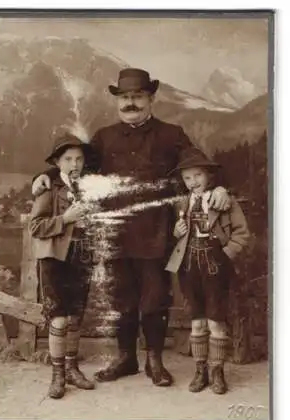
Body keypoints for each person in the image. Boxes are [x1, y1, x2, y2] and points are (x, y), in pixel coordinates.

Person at [31, 68, 231, 388]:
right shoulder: (104, 137)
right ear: (117, 101)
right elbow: (75, 166)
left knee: (154, 300)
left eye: (138, 96)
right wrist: (45, 176)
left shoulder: (171, 134)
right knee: (121, 300)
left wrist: (218, 188)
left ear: (151, 98)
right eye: (125, 97)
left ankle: (155, 360)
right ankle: (126, 359)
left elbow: (199, 167)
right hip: (113, 236)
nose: (131, 103)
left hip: (157, 233)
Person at [165, 152, 250, 394]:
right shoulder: (182, 204)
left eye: (198, 175)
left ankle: (217, 372)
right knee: (197, 320)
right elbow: (177, 237)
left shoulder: (223, 201)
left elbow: (242, 234)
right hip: (189, 265)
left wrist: (226, 255)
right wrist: (177, 231)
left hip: (215, 265)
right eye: (187, 177)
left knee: (216, 320)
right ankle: (200, 370)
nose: (193, 181)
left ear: (209, 175)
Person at [30, 133, 95, 399]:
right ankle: (57, 375)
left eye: (79, 159)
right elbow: (36, 226)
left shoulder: (90, 186)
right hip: (54, 259)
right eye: (68, 159)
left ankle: (72, 368)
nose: (74, 164)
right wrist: (65, 218)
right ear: (57, 162)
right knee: (58, 316)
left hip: (81, 255)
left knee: (76, 315)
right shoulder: (48, 188)